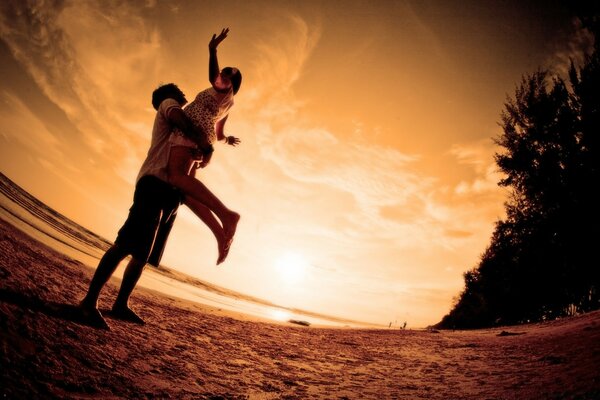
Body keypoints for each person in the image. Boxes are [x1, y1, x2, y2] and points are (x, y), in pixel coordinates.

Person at [78, 83, 212, 329]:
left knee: (143, 254)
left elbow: (184, 155)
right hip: (154, 184)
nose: (183, 93)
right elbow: (182, 120)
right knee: (125, 244)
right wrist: (205, 145)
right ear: (168, 95)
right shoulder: (167, 104)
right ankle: (89, 302)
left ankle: (120, 304)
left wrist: (194, 157)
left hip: (170, 191)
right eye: (178, 90)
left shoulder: (177, 133)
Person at [165, 28, 241, 265]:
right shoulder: (227, 103)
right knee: (187, 194)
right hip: (202, 134)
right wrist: (226, 140)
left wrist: (212, 49)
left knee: (175, 176)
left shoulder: (222, 89)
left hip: (193, 130)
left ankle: (227, 215)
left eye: (229, 73)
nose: (223, 74)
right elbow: (218, 132)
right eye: (224, 71)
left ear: (233, 82)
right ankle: (220, 234)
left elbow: (212, 77)